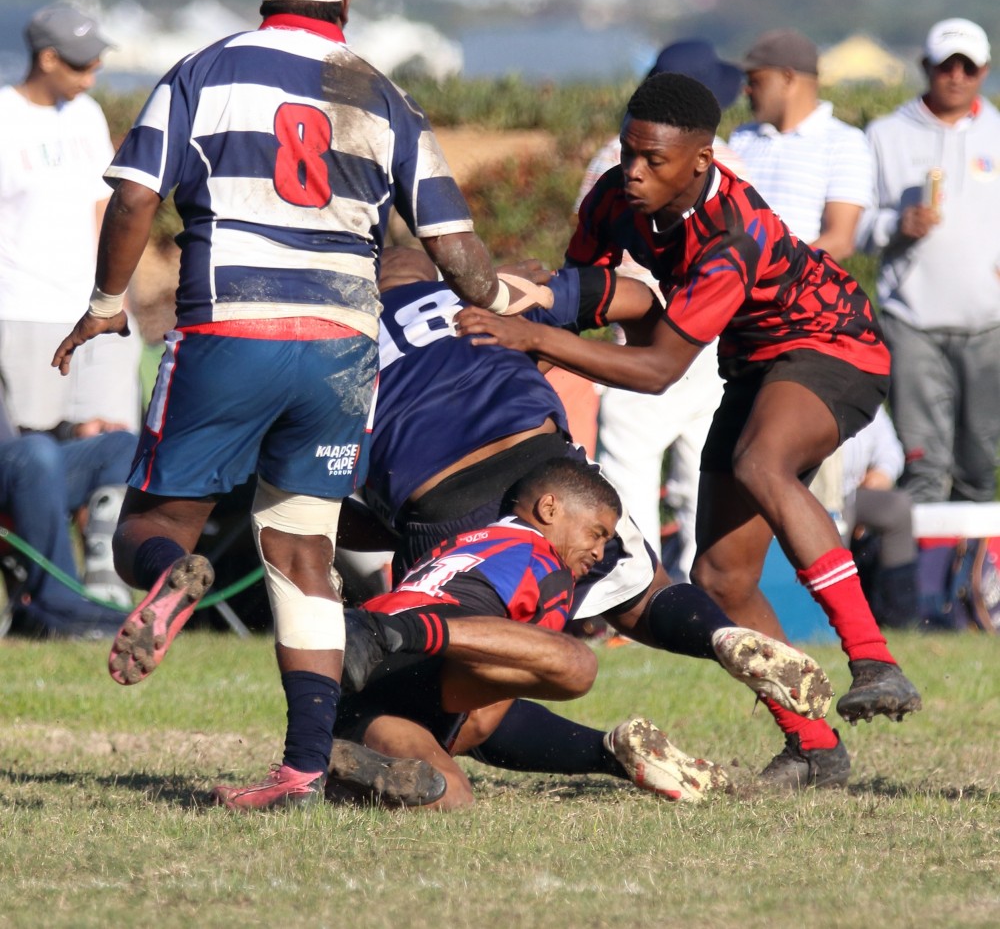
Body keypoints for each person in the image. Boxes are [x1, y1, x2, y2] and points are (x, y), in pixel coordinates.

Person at [51, 0, 547, 812]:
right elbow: (456, 248)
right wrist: (502, 296)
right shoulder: (385, 97)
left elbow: (132, 199)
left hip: (229, 329)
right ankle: (302, 769)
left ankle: (173, 576)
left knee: (145, 532)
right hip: (341, 352)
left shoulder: (203, 71)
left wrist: (105, 301)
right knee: (302, 552)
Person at [457, 71, 923, 788]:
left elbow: (658, 370)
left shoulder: (733, 234)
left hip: (835, 347)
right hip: (752, 366)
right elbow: (584, 292)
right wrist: (528, 328)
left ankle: (873, 658)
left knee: (761, 463)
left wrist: (534, 338)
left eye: (655, 160)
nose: (634, 172)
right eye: (629, 152)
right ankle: (815, 747)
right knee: (721, 579)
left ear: (702, 160)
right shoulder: (613, 197)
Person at [338, 246, 837, 790]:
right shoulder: (483, 292)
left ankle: (604, 753)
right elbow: (637, 298)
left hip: (445, 505)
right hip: (547, 467)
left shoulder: (338, 343)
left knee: (453, 694)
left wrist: (400, 529)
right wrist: (544, 331)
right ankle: (727, 645)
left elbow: (318, 501)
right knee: (644, 598)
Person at [329, 458, 728, 810]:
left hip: (356, 675)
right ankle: (391, 636)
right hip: (402, 648)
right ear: (549, 508)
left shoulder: (459, 544)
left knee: (448, 795)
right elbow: (481, 720)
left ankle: (324, 762)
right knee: (577, 664)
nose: (598, 553)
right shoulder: (546, 564)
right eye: (596, 533)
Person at [578, 40, 740, 577]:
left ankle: (636, 591)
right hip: (715, 343)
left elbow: (591, 262)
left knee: (628, 477)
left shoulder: (614, 155)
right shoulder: (725, 160)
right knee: (703, 484)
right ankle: (703, 598)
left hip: (644, 341)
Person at [863, 18, 1000, 505]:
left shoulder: (998, 133)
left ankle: (976, 557)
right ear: (926, 67)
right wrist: (896, 225)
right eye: (946, 65)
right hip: (912, 322)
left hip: (987, 324)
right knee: (923, 466)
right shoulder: (885, 134)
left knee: (979, 465)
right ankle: (921, 557)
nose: (956, 76)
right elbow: (854, 226)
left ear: (984, 71)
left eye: (968, 67)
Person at [0, 2, 142, 436]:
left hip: (97, 311)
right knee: (34, 445)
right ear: (48, 59)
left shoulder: (87, 114)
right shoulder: (6, 118)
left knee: (111, 439)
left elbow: (103, 208)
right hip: (25, 313)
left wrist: (118, 297)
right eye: (81, 67)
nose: (90, 79)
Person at [729, 28, 873, 263]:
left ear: (788, 78)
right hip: (734, 282)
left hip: (792, 285)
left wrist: (770, 273)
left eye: (755, 81)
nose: (747, 90)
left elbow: (839, 241)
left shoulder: (844, 142)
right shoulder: (741, 137)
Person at [0, 395, 135, 637]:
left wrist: (72, 430)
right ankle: (59, 606)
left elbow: (15, 438)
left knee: (120, 446)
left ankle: (107, 599)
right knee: (34, 455)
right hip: (19, 466)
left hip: (17, 463)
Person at [811, 407, 917, 629]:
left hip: (855, 491)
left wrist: (881, 475)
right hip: (816, 498)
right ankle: (840, 620)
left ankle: (899, 616)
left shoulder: (868, 400)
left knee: (897, 507)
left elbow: (891, 451)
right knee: (843, 516)